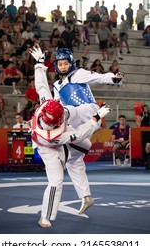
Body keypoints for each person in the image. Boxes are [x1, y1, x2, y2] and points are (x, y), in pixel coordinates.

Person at [30, 46, 112, 228]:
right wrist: (97, 117)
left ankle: (85, 195)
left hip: (73, 140)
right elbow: (79, 134)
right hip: (48, 149)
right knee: (56, 181)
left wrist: (39, 63)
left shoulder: (46, 104)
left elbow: (41, 85)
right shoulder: (57, 136)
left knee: (74, 160)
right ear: (56, 122)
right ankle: (46, 217)